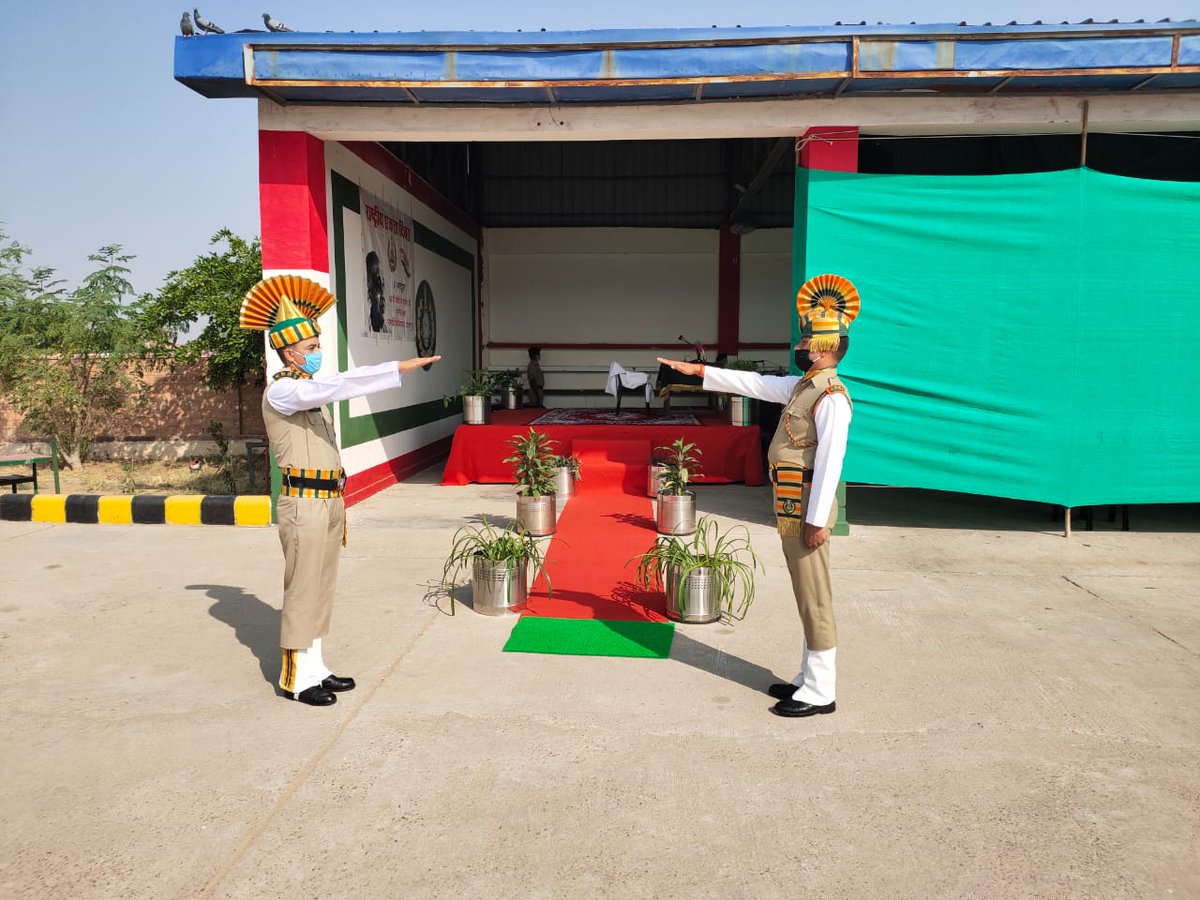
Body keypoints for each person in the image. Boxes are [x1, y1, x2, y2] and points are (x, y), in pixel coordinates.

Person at [657, 273, 860, 718]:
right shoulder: (803, 386)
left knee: (815, 594)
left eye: (807, 339)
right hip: (793, 504)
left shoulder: (832, 397)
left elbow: (831, 464)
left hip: (808, 506)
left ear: (825, 347)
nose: (801, 344)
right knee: (803, 591)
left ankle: (822, 691)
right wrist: (699, 372)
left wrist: (817, 519)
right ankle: (808, 679)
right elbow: (752, 385)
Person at [240, 275, 441, 706]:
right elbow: (337, 385)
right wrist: (396, 368)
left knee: (322, 585)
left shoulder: (307, 393)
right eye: (311, 348)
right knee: (301, 589)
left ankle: (316, 667)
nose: (316, 354)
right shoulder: (284, 391)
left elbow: (327, 388)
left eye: (317, 346)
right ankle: (294, 680)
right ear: (287, 352)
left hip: (330, 501)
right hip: (303, 504)